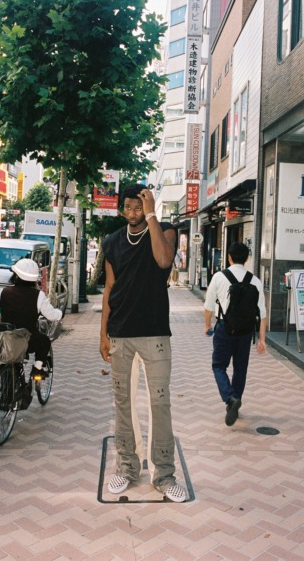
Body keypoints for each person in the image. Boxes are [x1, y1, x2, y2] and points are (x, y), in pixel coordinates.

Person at [100, 184, 186, 502]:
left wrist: (152, 214)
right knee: (123, 405)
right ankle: (126, 469)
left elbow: (164, 262)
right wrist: (102, 334)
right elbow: (110, 288)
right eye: (129, 207)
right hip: (121, 333)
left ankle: (163, 475)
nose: (133, 213)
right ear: (122, 208)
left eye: (139, 207)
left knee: (160, 404)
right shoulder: (111, 242)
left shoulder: (164, 232)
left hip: (155, 334)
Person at [204, 242, 266, 426]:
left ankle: (230, 399)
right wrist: (262, 339)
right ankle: (235, 401)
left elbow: (208, 306)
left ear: (229, 257)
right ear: (247, 259)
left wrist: (207, 325)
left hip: (224, 328)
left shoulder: (219, 277)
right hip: (246, 332)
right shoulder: (255, 281)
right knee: (240, 368)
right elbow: (262, 312)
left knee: (218, 366)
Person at [0, 258, 63, 378]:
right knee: (44, 341)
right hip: (26, 341)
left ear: (15, 275)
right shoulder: (38, 296)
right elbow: (51, 315)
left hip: (5, 339)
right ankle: (37, 368)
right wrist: (60, 313)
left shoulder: (4, 292)